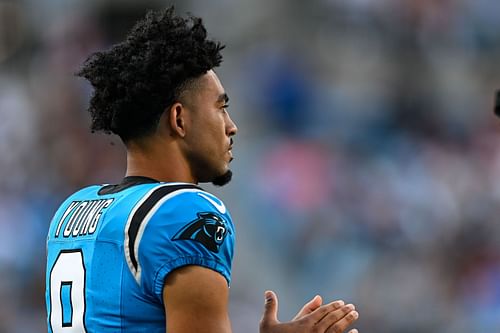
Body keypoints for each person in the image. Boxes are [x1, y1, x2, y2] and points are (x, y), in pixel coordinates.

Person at [45, 7, 359, 333]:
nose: (232, 126)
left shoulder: (71, 210)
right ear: (179, 119)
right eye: (221, 107)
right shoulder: (188, 211)